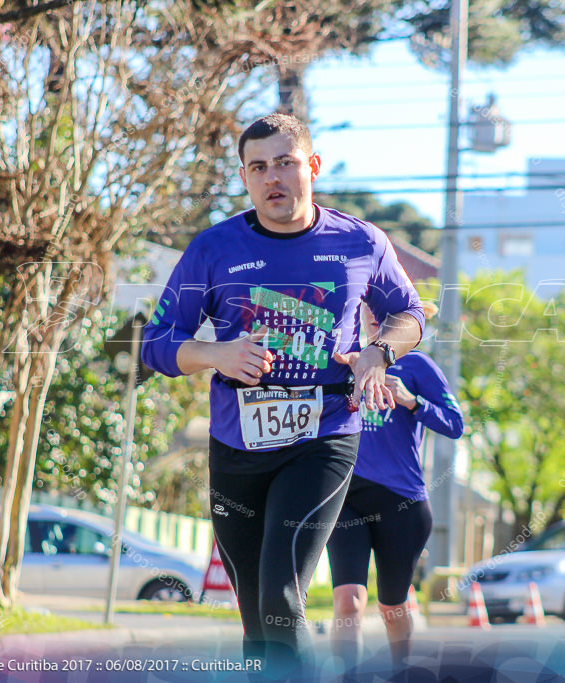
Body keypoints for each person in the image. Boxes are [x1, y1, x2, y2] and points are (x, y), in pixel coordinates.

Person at [141, 113, 424, 679]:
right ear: (245, 178)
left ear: (311, 167)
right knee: (256, 619)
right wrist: (217, 354)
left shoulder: (360, 242)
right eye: (259, 167)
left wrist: (378, 352)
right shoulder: (214, 248)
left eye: (286, 163)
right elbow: (155, 343)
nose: (274, 178)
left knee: (281, 596)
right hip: (236, 446)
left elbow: (410, 313)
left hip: (323, 438)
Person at [326, 302, 463, 674]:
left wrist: (411, 401)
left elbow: (455, 424)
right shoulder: (342, 358)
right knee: (349, 601)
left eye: (386, 310)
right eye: (367, 305)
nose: (375, 315)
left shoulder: (418, 365)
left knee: (392, 608)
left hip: (401, 502)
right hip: (346, 496)